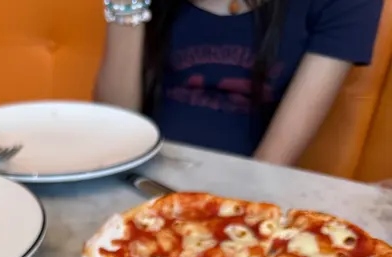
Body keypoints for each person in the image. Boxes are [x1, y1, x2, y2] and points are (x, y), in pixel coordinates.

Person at [95, 0, 384, 165]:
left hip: (243, 195)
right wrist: (125, 7)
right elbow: (114, 133)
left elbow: (269, 166)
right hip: (130, 173)